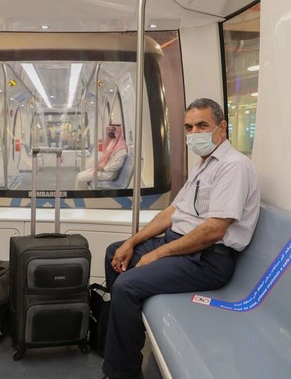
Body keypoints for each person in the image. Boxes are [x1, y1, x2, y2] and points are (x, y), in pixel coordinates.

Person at [101, 98, 260, 379]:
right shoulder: (204, 164)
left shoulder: (234, 167)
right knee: (115, 252)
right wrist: (132, 242)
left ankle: (122, 372)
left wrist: (158, 254)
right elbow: (174, 211)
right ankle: (121, 343)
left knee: (126, 286)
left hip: (207, 259)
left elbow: (214, 231)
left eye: (202, 125)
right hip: (181, 247)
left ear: (221, 128)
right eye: (189, 127)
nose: (194, 133)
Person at [74, 125, 128, 189]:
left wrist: (104, 169)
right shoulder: (113, 142)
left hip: (109, 173)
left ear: (117, 131)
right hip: (104, 170)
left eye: (113, 130)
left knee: (80, 178)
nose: (110, 131)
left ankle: (82, 197)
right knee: (79, 175)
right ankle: (84, 195)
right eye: (109, 130)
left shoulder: (121, 147)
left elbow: (118, 164)